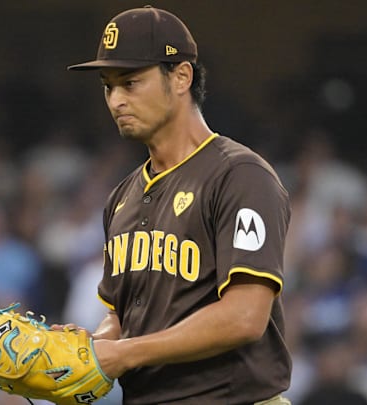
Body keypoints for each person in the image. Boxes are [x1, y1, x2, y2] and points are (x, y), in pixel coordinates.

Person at [66, 6, 292, 404]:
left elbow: (244, 317)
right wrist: (86, 350)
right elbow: (124, 318)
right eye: (108, 86)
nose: (116, 99)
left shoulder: (239, 176)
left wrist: (121, 354)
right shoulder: (122, 198)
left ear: (182, 76)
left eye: (131, 82)